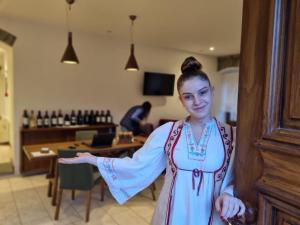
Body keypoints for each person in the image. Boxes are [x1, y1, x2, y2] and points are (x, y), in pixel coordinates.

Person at [59, 56, 245, 225]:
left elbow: (240, 178)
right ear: (181, 100)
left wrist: (229, 194)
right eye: (188, 97)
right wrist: (94, 159)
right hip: (171, 216)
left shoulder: (233, 135)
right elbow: (136, 165)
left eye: (202, 92)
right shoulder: (167, 132)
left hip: (211, 218)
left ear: (212, 92)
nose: (197, 101)